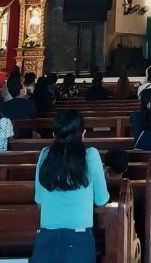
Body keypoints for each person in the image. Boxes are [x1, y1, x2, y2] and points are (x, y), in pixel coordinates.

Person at [31, 110, 109, 263]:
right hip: (79, 235)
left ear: (54, 135)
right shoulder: (91, 155)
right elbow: (101, 200)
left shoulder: (44, 155)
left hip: (47, 235)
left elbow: (39, 201)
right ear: (83, 133)